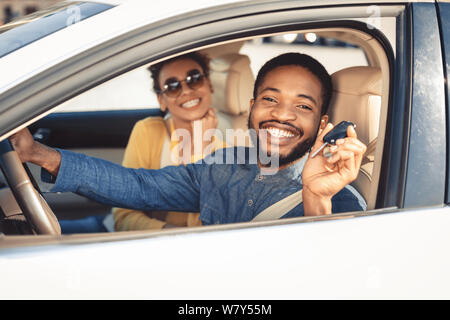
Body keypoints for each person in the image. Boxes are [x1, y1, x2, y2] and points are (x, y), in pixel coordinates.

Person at [10, 53, 367, 225]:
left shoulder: (340, 198)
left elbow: (328, 280)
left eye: (302, 106)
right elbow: (137, 185)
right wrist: (39, 153)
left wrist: (316, 199)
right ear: (251, 108)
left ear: (322, 125)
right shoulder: (223, 166)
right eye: (270, 99)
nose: (282, 115)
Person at [58, 52, 225, 233]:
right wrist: (167, 232)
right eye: (172, 86)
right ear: (162, 100)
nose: (185, 90)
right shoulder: (148, 130)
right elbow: (123, 215)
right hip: (122, 234)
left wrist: (200, 151)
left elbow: (206, 229)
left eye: (194, 78)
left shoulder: (228, 151)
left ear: (209, 84)